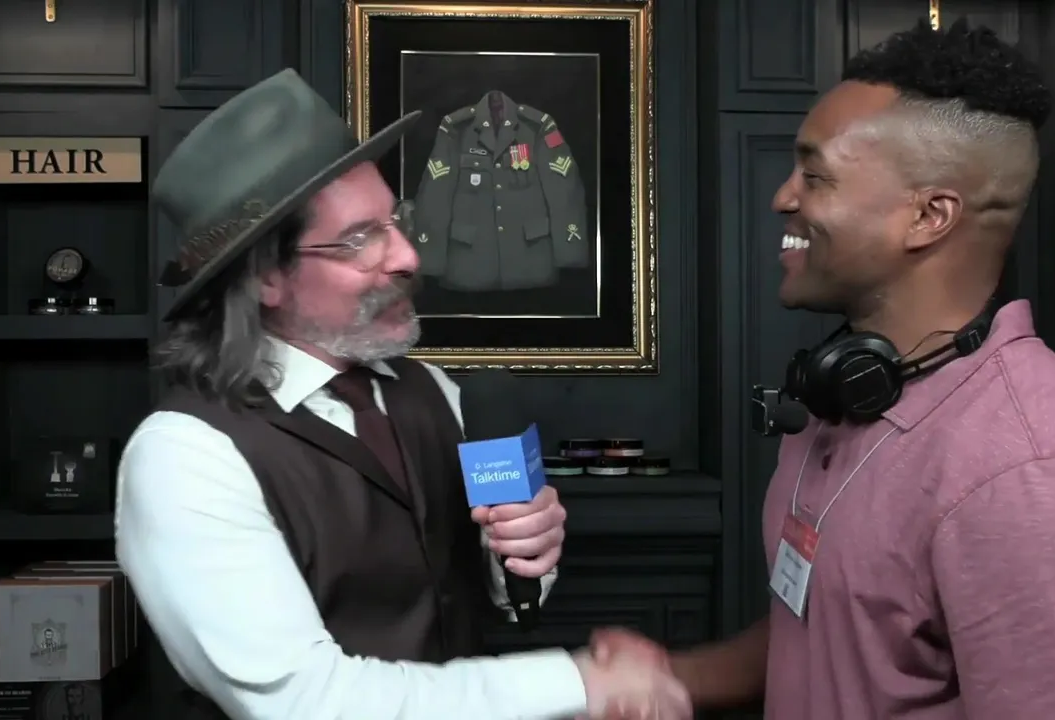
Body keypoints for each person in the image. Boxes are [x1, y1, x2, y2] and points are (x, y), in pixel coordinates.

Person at [591, 19, 1055, 719]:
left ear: (927, 216)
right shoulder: (848, 399)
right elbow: (842, 631)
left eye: (815, 176)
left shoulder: (1040, 479)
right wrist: (674, 677)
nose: (782, 198)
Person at [114, 69, 691, 720]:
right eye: (361, 239)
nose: (409, 257)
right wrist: (579, 682)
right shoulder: (184, 458)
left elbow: (479, 594)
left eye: (397, 221)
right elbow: (307, 702)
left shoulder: (434, 392)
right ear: (266, 276)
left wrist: (522, 555)